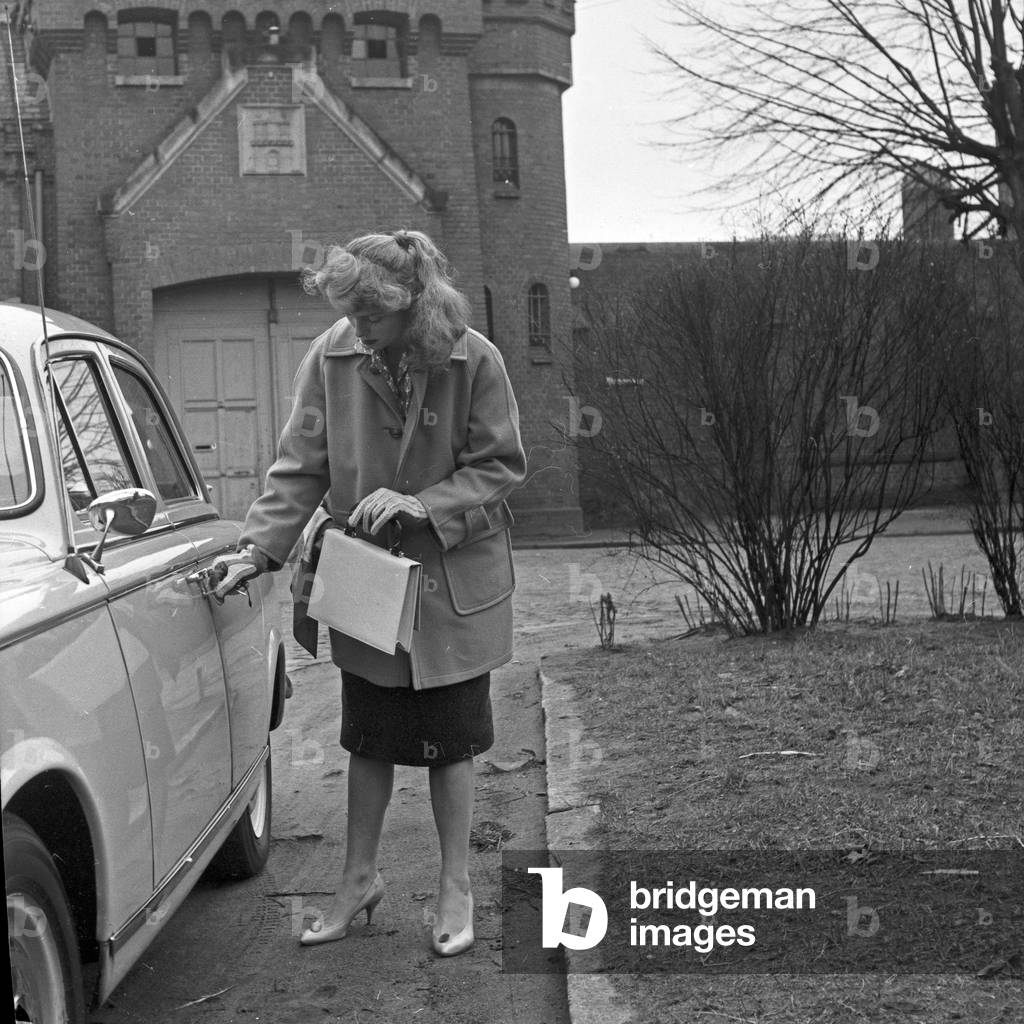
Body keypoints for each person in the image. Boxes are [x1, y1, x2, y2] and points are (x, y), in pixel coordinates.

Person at [211, 229, 526, 957]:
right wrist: (258, 549)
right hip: (367, 581)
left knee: (451, 742)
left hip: (451, 582)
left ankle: (455, 885)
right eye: (348, 313)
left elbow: (501, 465)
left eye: (369, 316)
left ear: (412, 304)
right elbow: (300, 464)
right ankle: (357, 880)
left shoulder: (474, 359)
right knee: (369, 737)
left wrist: (428, 505)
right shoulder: (332, 354)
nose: (355, 327)